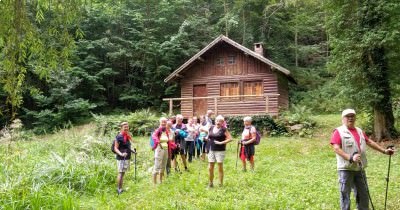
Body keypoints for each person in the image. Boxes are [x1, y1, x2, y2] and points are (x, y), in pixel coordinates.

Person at [330, 109, 395, 210]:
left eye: (352, 116)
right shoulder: (338, 131)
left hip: (360, 168)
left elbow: (370, 142)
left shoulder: (359, 131)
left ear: (355, 118)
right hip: (345, 169)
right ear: (343, 119)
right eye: (348, 116)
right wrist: (350, 157)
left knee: (363, 194)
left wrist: (384, 151)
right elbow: (336, 148)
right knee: (345, 195)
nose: (350, 118)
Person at [207, 115, 232, 187]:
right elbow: (209, 136)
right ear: (215, 121)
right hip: (211, 148)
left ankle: (220, 184)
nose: (218, 122)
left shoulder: (224, 129)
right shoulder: (211, 127)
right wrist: (205, 138)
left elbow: (230, 139)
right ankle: (210, 183)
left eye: (220, 121)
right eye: (217, 121)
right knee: (210, 167)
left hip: (220, 150)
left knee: (219, 166)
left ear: (222, 122)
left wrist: (221, 143)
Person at [151, 117, 176, 184]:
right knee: (157, 166)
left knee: (163, 166)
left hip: (166, 150)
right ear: (160, 122)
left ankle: (161, 181)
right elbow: (154, 136)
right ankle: (154, 183)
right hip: (159, 149)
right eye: (162, 122)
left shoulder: (166, 131)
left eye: (165, 122)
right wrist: (158, 141)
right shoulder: (157, 130)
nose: (164, 123)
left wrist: (173, 146)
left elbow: (168, 142)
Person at [114, 122, 134, 195]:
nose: (126, 128)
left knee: (123, 173)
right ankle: (118, 190)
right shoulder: (118, 136)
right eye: (125, 127)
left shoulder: (126, 136)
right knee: (120, 173)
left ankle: (120, 188)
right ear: (121, 128)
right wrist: (121, 154)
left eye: (127, 127)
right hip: (121, 158)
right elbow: (115, 148)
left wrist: (132, 151)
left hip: (127, 157)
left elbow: (126, 147)